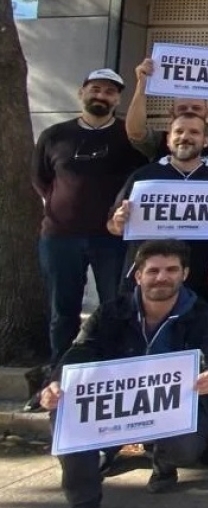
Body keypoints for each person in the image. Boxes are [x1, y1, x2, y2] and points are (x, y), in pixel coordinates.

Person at [39, 240, 208, 505]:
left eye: (171, 270)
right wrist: (55, 383)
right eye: (153, 271)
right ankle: (85, 495)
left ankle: (163, 460)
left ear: (185, 274)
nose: (162, 278)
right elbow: (80, 352)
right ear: (138, 276)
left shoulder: (200, 312)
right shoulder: (110, 312)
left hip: (172, 405)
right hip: (112, 403)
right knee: (63, 413)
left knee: (186, 448)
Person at [32, 68, 148, 377]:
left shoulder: (128, 137)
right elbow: (41, 180)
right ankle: (60, 374)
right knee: (62, 311)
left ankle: (109, 373)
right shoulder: (54, 135)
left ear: (118, 99)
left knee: (117, 307)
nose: (101, 95)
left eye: (109, 92)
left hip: (112, 239)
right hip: (60, 237)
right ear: (81, 92)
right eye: (95, 89)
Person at [107, 114, 208, 305]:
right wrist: (119, 223)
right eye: (178, 131)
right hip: (147, 279)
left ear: (206, 141)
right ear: (168, 140)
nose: (185, 136)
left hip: (200, 279)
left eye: (194, 132)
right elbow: (112, 225)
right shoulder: (144, 176)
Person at [124, 57, 208, 168]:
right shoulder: (160, 141)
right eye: (182, 108)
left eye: (196, 108)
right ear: (171, 112)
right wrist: (142, 85)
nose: (190, 111)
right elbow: (135, 132)